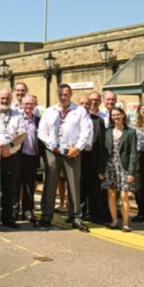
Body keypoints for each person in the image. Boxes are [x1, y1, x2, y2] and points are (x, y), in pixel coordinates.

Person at [38, 84, 93, 232]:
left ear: (71, 94)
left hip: (72, 150)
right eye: (61, 94)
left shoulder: (79, 111)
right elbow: (41, 132)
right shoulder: (50, 112)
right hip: (53, 150)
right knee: (50, 183)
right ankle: (46, 216)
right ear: (57, 94)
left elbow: (86, 130)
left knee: (74, 184)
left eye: (66, 94)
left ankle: (76, 217)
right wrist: (53, 146)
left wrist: (78, 148)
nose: (63, 97)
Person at [98, 107, 137, 232]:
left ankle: (125, 223)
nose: (116, 117)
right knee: (111, 194)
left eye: (118, 114)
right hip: (109, 166)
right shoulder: (107, 132)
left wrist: (131, 172)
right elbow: (102, 152)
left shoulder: (130, 132)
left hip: (124, 167)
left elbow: (133, 153)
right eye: (113, 115)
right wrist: (101, 170)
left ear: (123, 115)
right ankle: (114, 221)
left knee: (124, 195)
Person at [0, 88, 24, 228]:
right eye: (2, 98)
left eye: (7, 98)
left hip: (12, 156)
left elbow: (22, 134)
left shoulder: (18, 115)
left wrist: (9, 146)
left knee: (10, 189)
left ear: (11, 99)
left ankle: (8, 218)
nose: (4, 101)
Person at [76, 95, 106, 223]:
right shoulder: (74, 120)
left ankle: (93, 213)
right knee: (79, 186)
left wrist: (101, 165)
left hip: (93, 156)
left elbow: (102, 142)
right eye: (82, 103)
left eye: (87, 104)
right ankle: (79, 213)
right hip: (78, 156)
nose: (85, 106)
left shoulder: (98, 121)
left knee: (94, 188)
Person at [17, 94, 40, 223]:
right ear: (22, 105)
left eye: (31, 104)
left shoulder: (38, 120)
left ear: (35, 105)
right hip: (19, 156)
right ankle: (15, 210)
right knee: (16, 185)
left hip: (32, 156)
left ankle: (28, 211)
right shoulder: (17, 118)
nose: (28, 106)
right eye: (26, 104)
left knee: (29, 186)